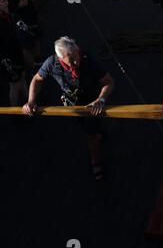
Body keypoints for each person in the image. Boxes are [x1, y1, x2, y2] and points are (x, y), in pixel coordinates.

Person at [22, 36, 114, 181]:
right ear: (60, 58)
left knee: (91, 138)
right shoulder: (51, 63)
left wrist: (100, 99)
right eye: (70, 61)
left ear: (77, 49)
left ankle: (96, 161)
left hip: (92, 104)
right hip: (73, 106)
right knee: (87, 128)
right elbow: (36, 79)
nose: (75, 63)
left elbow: (108, 82)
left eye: (76, 57)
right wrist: (31, 101)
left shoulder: (88, 59)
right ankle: (99, 131)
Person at [1, 0, 41, 69]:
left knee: (36, 37)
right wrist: (19, 5)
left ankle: (40, 59)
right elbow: (6, 9)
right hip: (20, 21)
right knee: (26, 45)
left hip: (31, 15)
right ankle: (33, 66)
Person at [0, 0, 27, 106]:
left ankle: (29, 99)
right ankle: (14, 113)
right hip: (7, 59)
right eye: (2, 2)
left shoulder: (5, 14)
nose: (6, 3)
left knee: (23, 76)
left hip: (15, 53)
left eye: (5, 0)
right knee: (15, 86)